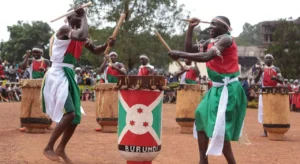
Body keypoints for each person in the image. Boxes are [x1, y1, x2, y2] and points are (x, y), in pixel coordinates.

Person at [42, 6, 115, 163]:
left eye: (79, 15)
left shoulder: (78, 33)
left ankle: (61, 148)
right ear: (68, 18)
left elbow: (96, 50)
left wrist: (107, 45)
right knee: (70, 113)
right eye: (76, 15)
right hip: (58, 74)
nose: (79, 17)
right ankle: (48, 147)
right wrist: (84, 16)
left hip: (68, 75)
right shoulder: (65, 29)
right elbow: (82, 36)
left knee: (75, 117)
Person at [168, 16, 247, 164]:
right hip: (216, 88)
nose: (210, 27)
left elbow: (206, 56)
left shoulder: (226, 40)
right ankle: (203, 160)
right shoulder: (210, 42)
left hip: (229, 89)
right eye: (210, 24)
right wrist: (190, 28)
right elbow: (189, 49)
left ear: (225, 28)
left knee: (220, 130)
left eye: (214, 25)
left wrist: (180, 54)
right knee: (200, 117)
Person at [254, 54, 283, 137]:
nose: (268, 60)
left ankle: (274, 129)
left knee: (274, 111)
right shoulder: (262, 70)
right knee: (264, 112)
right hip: (264, 92)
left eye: (270, 58)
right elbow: (255, 80)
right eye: (266, 58)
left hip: (274, 92)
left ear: (273, 60)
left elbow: (281, 80)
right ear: (264, 60)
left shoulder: (276, 69)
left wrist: (276, 78)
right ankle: (265, 131)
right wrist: (259, 72)